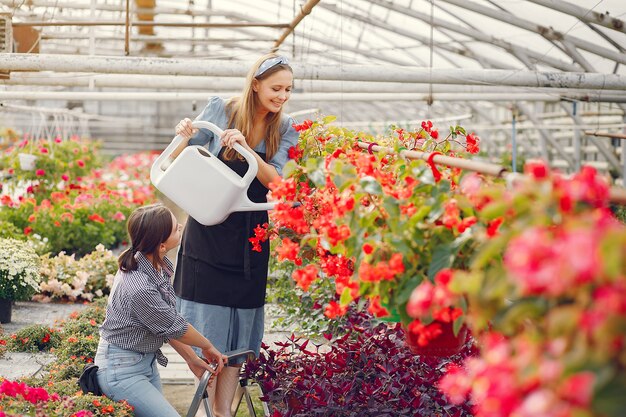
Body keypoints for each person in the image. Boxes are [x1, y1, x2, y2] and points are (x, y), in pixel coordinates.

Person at [171, 53, 298, 417]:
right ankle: (218, 412)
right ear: (254, 84)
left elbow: (277, 182)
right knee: (210, 331)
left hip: (251, 239)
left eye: (288, 89)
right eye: (276, 88)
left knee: (239, 335)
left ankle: (223, 411)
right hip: (208, 233)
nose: (282, 96)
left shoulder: (285, 127)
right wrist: (183, 136)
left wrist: (245, 149)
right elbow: (188, 158)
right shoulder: (222, 108)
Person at [94, 203, 228, 417]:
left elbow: (163, 324)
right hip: (121, 370)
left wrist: (191, 358)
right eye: (176, 228)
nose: (182, 226)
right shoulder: (140, 287)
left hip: (142, 363)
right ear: (161, 246)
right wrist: (207, 346)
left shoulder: (152, 265)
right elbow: (176, 326)